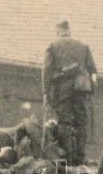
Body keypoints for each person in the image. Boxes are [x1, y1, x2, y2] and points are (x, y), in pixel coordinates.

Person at [42, 20, 98, 165]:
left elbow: (47, 71)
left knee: (64, 120)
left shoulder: (53, 46)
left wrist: (46, 92)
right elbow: (93, 70)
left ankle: (68, 156)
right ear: (69, 30)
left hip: (64, 86)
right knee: (82, 121)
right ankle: (81, 156)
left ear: (58, 31)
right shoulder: (83, 46)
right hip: (82, 87)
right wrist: (91, 90)